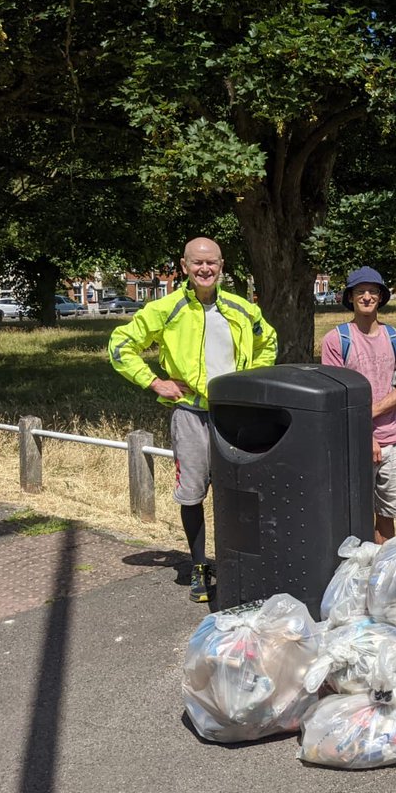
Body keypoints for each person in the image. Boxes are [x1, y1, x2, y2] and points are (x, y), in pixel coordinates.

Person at [108, 237, 277, 603]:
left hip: (234, 415)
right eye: (197, 263)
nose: (205, 269)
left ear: (221, 266)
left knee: (240, 490)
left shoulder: (242, 309)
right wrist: (155, 381)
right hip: (191, 414)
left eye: (212, 263)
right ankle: (200, 565)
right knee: (193, 493)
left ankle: (237, 564)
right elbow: (120, 346)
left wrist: (250, 383)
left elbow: (269, 343)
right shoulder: (166, 309)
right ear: (184, 266)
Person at [320, 266, 396, 544]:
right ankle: (353, 575)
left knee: (387, 515)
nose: (367, 297)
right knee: (352, 514)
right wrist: (364, 432)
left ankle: (381, 574)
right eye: (360, 291)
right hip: (351, 441)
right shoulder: (337, 340)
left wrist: (367, 414)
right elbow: (336, 396)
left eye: (373, 291)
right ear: (350, 297)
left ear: (381, 297)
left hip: (392, 442)